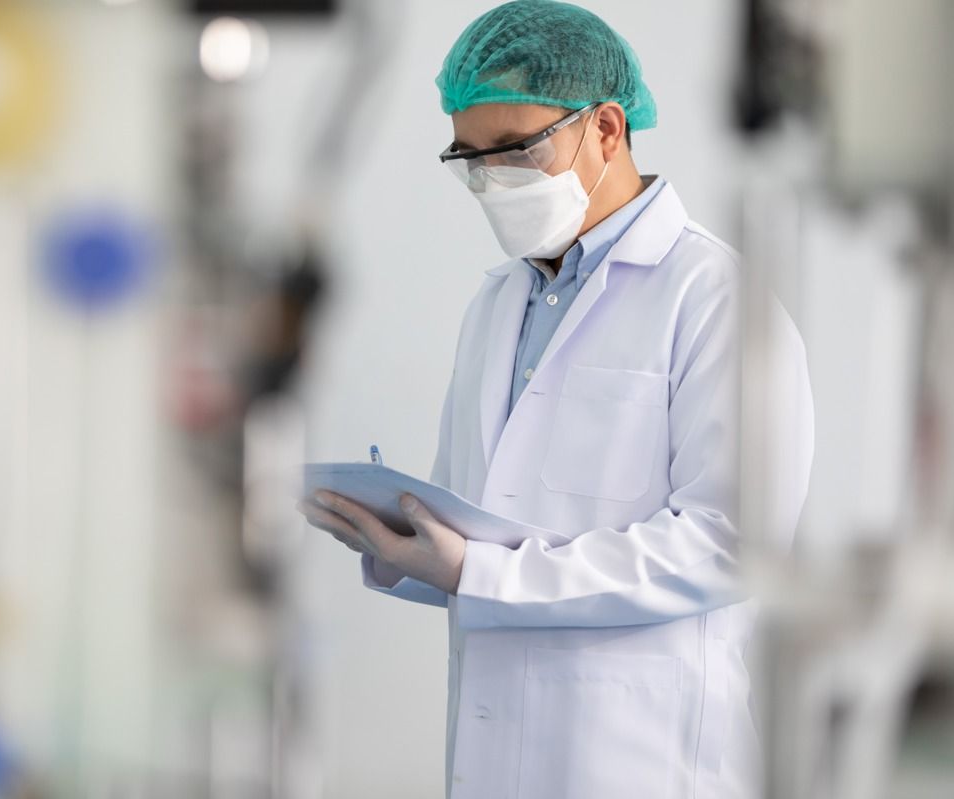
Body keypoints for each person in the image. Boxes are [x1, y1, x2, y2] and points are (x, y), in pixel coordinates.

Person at [295, 2, 814, 797]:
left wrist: (479, 572)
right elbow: (478, 528)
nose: (491, 179)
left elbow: (729, 545)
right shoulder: (498, 304)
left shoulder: (716, 299)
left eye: (512, 149)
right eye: (469, 157)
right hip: (490, 756)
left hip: (644, 762)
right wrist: (399, 542)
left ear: (605, 130)